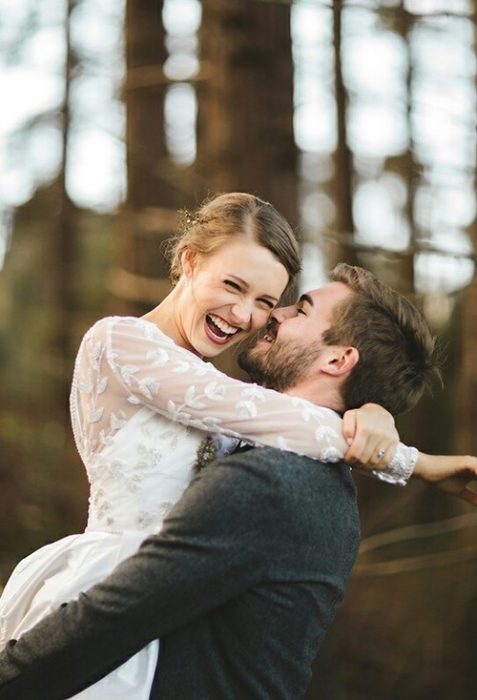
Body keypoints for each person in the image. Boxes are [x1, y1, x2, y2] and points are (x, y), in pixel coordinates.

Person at [0, 263, 476, 699]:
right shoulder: (319, 476)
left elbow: (112, 618)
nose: (274, 314)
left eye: (301, 309)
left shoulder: (270, 484)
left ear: (337, 360)